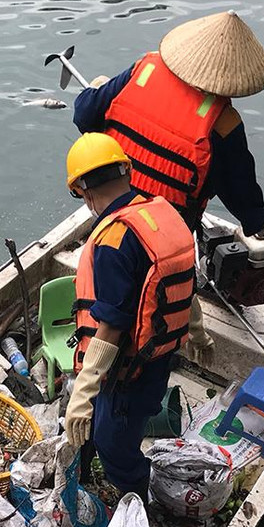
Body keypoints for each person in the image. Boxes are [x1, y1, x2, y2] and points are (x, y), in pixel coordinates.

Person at [73, 10, 264, 344]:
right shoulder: (223, 123)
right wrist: (257, 220)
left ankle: (101, 344)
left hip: (113, 214)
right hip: (166, 234)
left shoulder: (144, 70)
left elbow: (85, 115)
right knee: (157, 304)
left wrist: (94, 90)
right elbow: (239, 189)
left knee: (111, 294)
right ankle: (171, 343)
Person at [62, 133, 200, 498]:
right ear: (127, 171)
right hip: (158, 355)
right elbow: (183, 278)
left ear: (84, 192)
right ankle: (102, 461)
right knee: (123, 422)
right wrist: (200, 334)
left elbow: (112, 325)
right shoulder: (163, 212)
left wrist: (85, 391)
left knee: (115, 445)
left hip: (127, 369)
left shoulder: (113, 240)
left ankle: (137, 499)